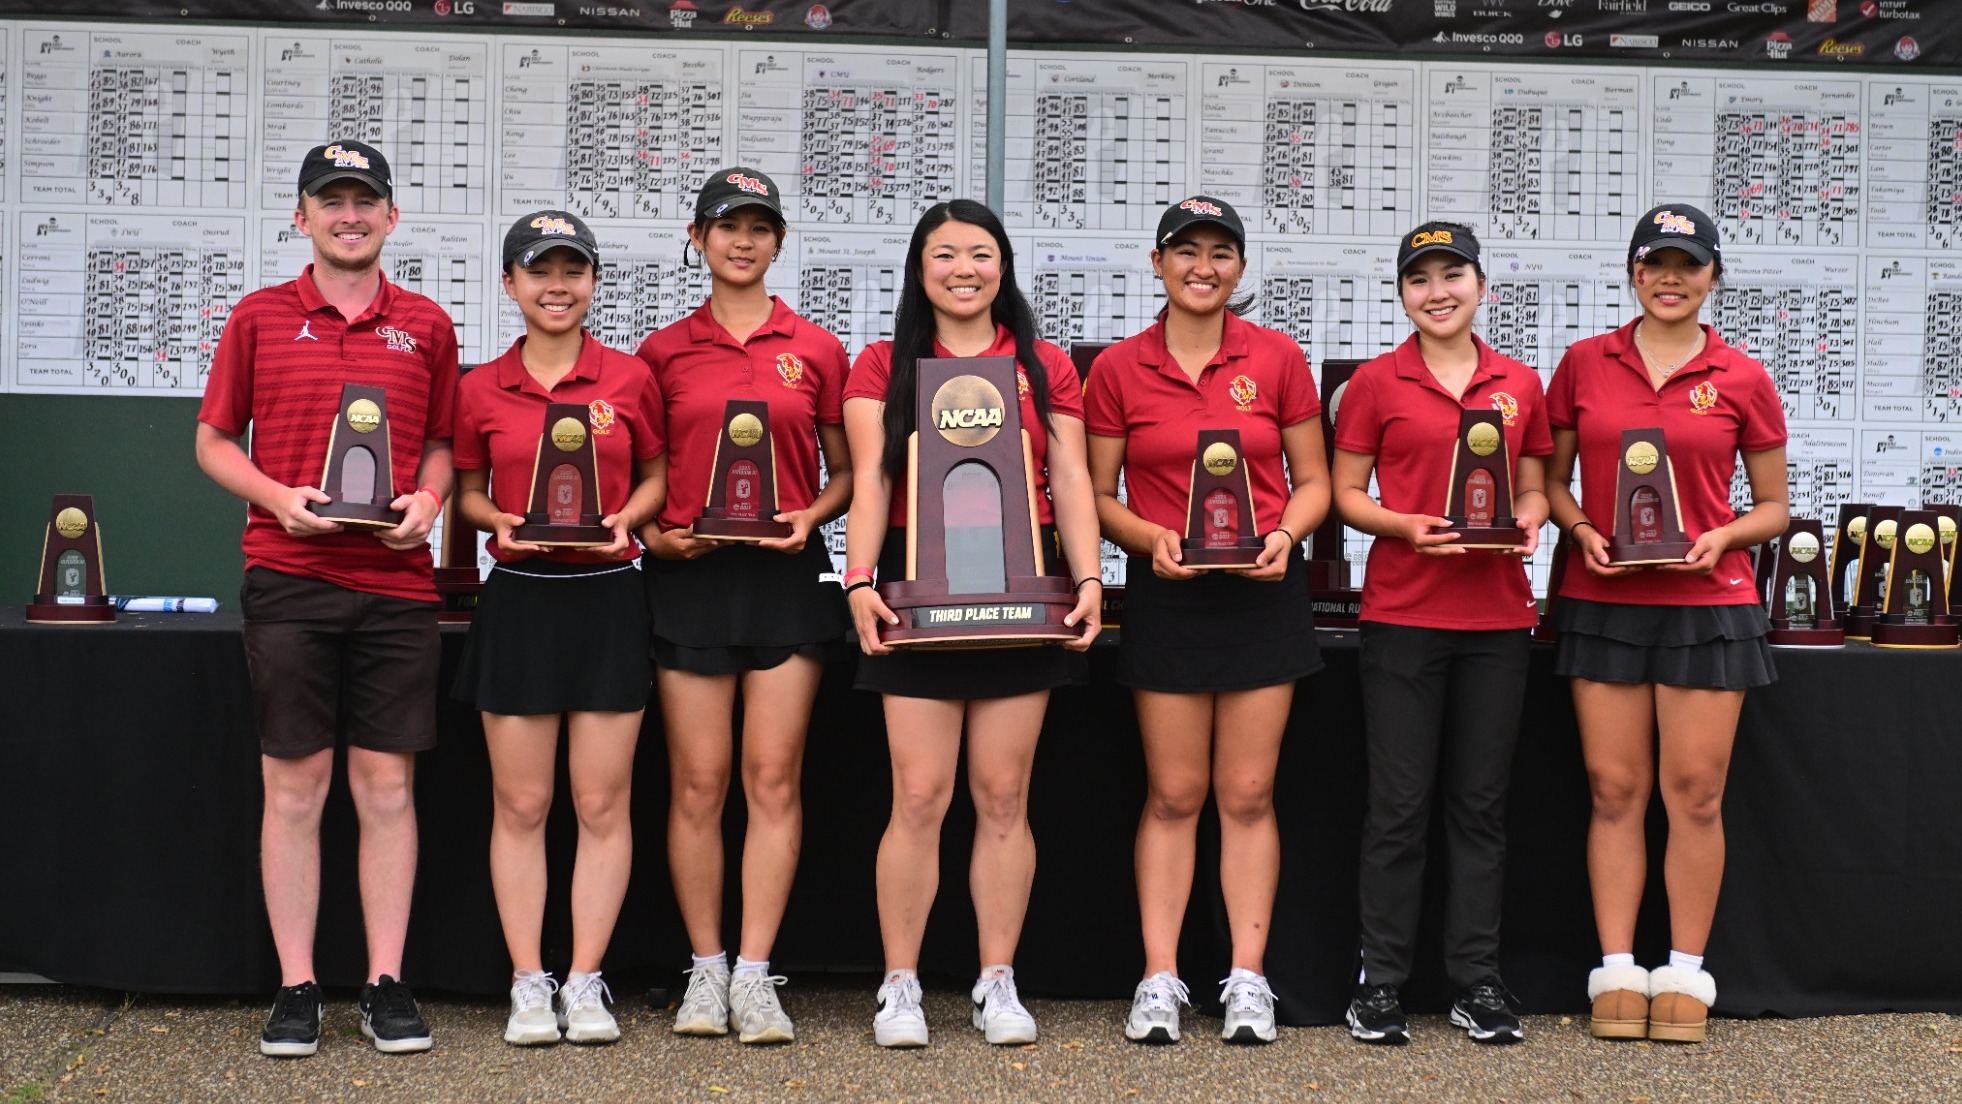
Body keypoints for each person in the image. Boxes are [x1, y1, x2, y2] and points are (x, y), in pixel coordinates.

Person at [196, 141, 457, 1057]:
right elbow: (215, 440)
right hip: (289, 577)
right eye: (331, 202)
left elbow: (439, 445)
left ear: (392, 217)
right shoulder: (260, 317)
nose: (350, 216)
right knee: (296, 787)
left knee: (387, 788)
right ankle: (297, 987)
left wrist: (425, 503)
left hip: (394, 587)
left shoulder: (425, 324)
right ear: (301, 217)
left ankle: (386, 982)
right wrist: (277, 500)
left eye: (365, 202)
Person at [842, 199, 1102, 1049]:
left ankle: (998, 980)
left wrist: (1092, 576)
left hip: (1022, 601)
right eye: (946, 253)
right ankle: (901, 985)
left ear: (1004, 265)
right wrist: (857, 579)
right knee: (918, 797)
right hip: (918, 600)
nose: (964, 268)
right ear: (920, 268)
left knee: (1002, 796)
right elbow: (875, 480)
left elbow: (1069, 475)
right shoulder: (882, 362)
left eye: (980, 253)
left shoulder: (1044, 363)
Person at [1083, 195, 1329, 1046]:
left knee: (1250, 794)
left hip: (1263, 592)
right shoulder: (1118, 368)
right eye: (1185, 251)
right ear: (1157, 264)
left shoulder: (1278, 357)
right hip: (1171, 594)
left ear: (1240, 267)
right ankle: (1160, 978)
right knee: (1175, 793)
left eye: (1221, 251)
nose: (1203, 266)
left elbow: (1315, 480)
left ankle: (1248, 981)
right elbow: (1096, 497)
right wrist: (1147, 537)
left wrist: (1288, 535)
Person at [1544, 204, 1788, 1044]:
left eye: (1689, 265)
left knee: (1696, 794)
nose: (1672, 279)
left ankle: (1684, 970)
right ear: (1633, 274)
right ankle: (1617, 968)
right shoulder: (1583, 363)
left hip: (1708, 606)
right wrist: (1579, 531)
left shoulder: (1745, 377)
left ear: (1713, 276)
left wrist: (1721, 534)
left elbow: (1775, 509)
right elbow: (1553, 482)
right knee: (1615, 791)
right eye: (1657, 264)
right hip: (1605, 602)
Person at [633, 168, 853, 1045]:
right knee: (698, 782)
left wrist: (810, 515)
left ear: (779, 243)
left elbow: (846, 472)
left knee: (771, 779)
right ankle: (706, 968)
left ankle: (757, 973)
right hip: (688, 577)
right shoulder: (660, 352)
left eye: (760, 228)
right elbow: (641, 476)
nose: (744, 241)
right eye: (728, 227)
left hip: (785, 582)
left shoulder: (818, 348)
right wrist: (652, 537)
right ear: (698, 240)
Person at [1330, 222, 1551, 1046]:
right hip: (1402, 615)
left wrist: (1528, 522)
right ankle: (1381, 982)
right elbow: (1348, 492)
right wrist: (1401, 525)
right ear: (1402, 295)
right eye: (1419, 279)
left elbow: (1532, 486)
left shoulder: (1517, 382)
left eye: (1452, 274)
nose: (1437, 291)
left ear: (1481, 286)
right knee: (1397, 807)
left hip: (1496, 618)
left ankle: (1477, 981)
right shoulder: (1376, 385)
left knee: (1480, 809)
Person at [452, 210, 667, 1046]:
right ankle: (528, 983)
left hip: (610, 594)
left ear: (592, 282)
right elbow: (468, 491)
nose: (557, 286)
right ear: (510, 283)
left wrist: (628, 521)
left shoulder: (630, 379)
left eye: (573, 270)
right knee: (523, 802)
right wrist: (494, 519)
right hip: (521, 601)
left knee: (602, 801)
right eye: (540, 271)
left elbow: (654, 476)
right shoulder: (481, 387)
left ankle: (585, 981)